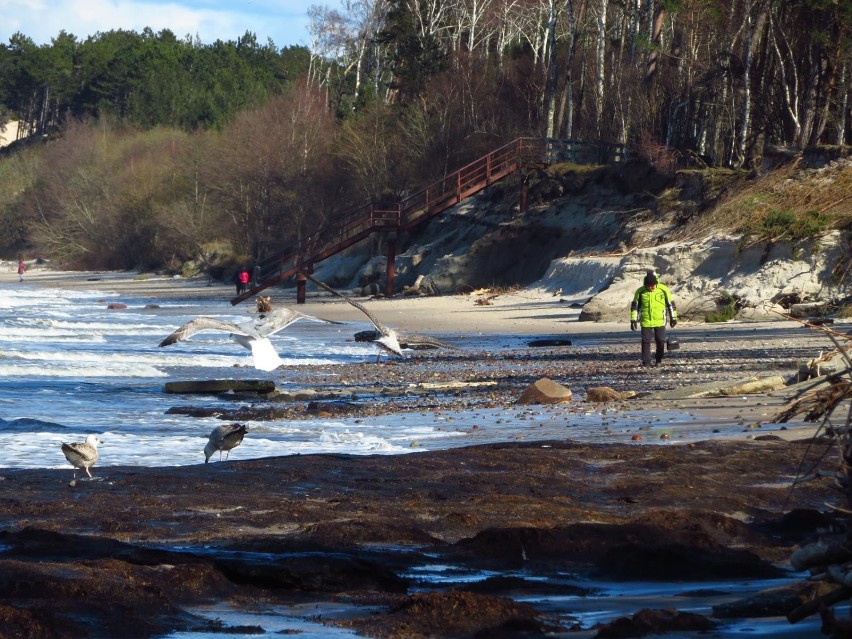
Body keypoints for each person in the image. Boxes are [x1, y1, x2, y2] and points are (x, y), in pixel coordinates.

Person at [630, 270, 677, 367]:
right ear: (645, 284)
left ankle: (658, 359)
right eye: (649, 286)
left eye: (653, 285)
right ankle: (646, 362)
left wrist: (673, 318)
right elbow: (635, 307)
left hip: (660, 320)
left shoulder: (663, 290)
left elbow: (671, 305)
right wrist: (633, 319)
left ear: (656, 283)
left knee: (660, 340)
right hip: (646, 321)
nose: (651, 287)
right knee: (646, 341)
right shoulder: (640, 292)